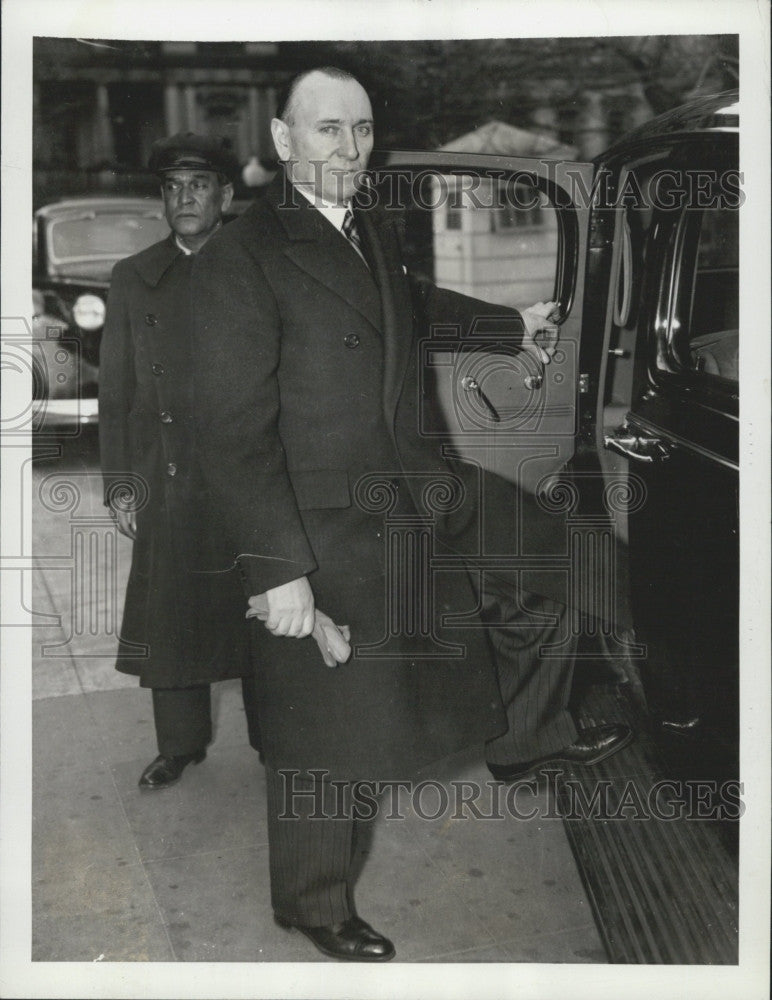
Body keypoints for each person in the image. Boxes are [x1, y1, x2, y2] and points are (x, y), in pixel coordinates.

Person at [190, 68, 631, 961]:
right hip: (322, 516)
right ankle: (312, 902)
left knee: (565, 559)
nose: (348, 151)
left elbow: (414, 308)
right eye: (326, 132)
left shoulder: (369, 230)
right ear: (282, 142)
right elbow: (228, 435)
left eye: (360, 130)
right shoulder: (242, 260)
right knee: (328, 724)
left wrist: (518, 325)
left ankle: (523, 735)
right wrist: (280, 573)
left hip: (423, 481)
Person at [99, 133, 262, 790]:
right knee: (172, 619)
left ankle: (275, 738)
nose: (184, 197)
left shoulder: (261, 266)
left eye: (198, 185)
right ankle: (180, 746)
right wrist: (120, 484)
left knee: (264, 614)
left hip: (250, 474)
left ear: (226, 195)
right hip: (167, 476)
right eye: (172, 186)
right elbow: (117, 390)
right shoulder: (133, 275)